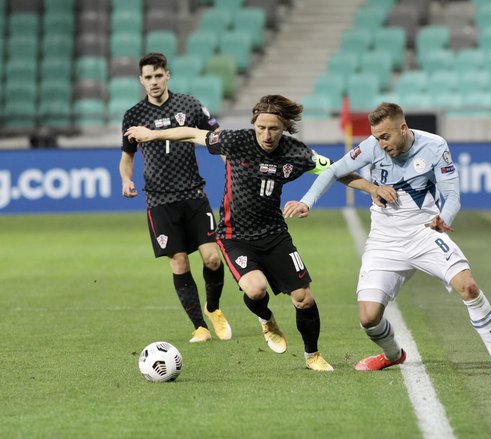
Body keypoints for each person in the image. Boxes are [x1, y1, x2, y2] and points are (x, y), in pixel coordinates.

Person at [125, 94, 381, 371]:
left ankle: (313, 356)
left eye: (273, 128)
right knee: (256, 290)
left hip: (274, 233)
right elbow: (192, 133)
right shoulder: (237, 141)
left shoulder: (296, 152)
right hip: (235, 236)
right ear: (254, 125)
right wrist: (152, 134)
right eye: (261, 128)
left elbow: (336, 171)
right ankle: (266, 319)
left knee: (304, 298)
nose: (266, 135)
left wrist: (374, 189)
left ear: (284, 127)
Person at [283, 102, 491, 377]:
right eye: (376, 138)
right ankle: (393, 355)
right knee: (368, 318)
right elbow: (333, 171)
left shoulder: (435, 146)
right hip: (384, 239)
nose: (381, 144)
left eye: (385, 137)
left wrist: (445, 219)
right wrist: (307, 202)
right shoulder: (372, 146)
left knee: (468, 286)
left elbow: (452, 195)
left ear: (403, 128)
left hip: (425, 233)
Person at [119, 53, 232, 344]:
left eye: (158, 75)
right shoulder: (133, 116)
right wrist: (126, 178)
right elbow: (127, 157)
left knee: (213, 259)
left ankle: (213, 308)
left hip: (193, 195)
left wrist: (229, 164)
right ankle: (199, 327)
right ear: (140, 80)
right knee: (179, 262)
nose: (154, 82)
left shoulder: (189, 104)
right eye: (148, 77)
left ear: (167, 75)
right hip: (159, 201)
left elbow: (216, 136)